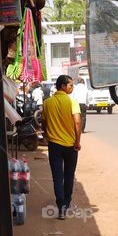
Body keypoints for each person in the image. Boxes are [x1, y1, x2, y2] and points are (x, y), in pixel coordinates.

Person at [42, 75, 81, 219]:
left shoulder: (47, 103)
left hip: (54, 146)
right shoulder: (72, 102)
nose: (72, 87)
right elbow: (77, 123)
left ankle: (61, 207)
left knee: (57, 177)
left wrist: (47, 136)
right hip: (70, 146)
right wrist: (77, 142)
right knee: (69, 175)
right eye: (71, 85)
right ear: (63, 86)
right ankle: (67, 202)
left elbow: (44, 123)